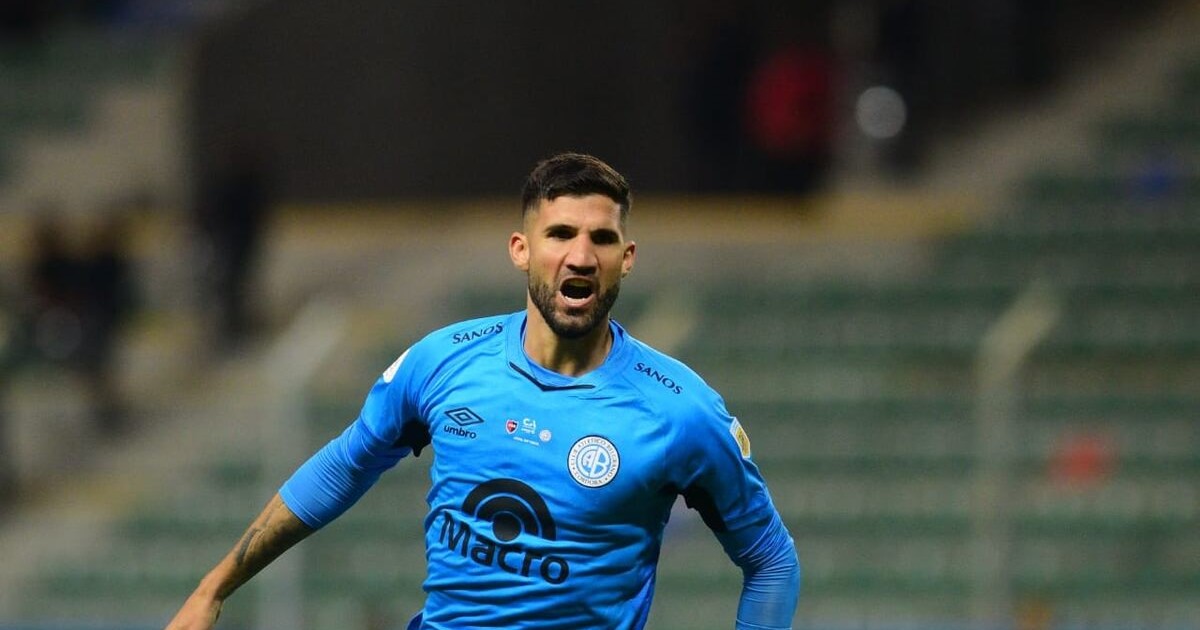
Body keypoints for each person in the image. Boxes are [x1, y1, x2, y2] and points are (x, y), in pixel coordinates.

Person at [166, 152, 801, 629]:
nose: (581, 256)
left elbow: (771, 561)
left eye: (602, 239)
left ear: (626, 258)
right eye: (560, 234)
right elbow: (346, 463)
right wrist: (213, 589)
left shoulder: (680, 410)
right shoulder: (444, 361)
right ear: (521, 250)